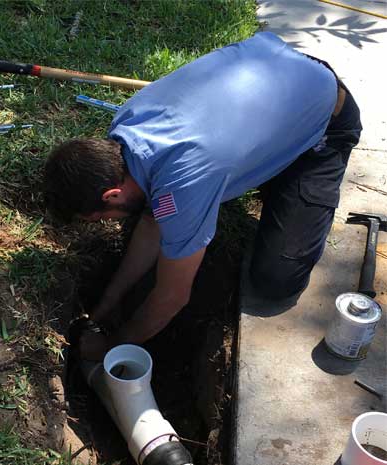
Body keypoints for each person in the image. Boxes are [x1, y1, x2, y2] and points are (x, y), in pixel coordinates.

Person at [43, 32, 362, 361]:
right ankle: (270, 153)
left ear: (112, 194)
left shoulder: (184, 182)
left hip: (325, 125)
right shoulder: (126, 128)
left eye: (101, 217)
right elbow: (153, 223)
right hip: (279, 82)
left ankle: (284, 165)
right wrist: (103, 308)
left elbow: (172, 297)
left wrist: (111, 348)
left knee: (275, 282)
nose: (108, 222)